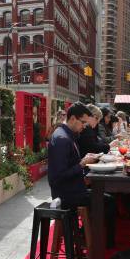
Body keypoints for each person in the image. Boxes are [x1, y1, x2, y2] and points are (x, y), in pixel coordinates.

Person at [48, 102, 116, 247]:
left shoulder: (67, 135)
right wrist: (82, 164)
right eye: (83, 122)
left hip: (72, 189)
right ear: (72, 118)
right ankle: (96, 241)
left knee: (107, 196)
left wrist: (83, 161)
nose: (84, 126)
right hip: (67, 194)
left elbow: (68, 165)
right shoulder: (62, 138)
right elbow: (58, 177)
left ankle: (88, 235)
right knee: (109, 201)